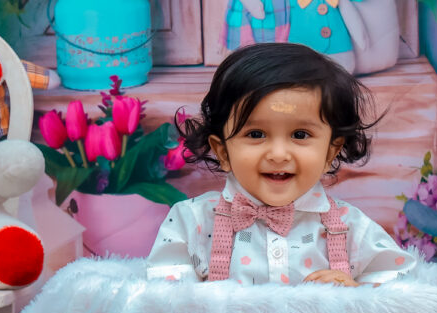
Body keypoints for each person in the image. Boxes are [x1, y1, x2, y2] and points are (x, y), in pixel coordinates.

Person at [147, 42, 415, 286]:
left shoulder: (351, 228)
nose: (278, 154)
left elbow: (401, 287)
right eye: (256, 134)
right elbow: (165, 303)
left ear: (330, 153)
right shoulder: (191, 223)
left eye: (300, 135)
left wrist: (355, 293)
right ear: (223, 152)